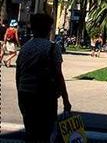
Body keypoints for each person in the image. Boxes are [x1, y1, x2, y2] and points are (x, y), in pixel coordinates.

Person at [16, 13, 71, 142]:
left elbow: (18, 74)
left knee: (30, 132)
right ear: (48, 29)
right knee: (45, 132)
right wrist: (66, 100)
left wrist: (20, 92)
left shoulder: (24, 48)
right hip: (45, 96)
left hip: (26, 95)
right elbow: (58, 75)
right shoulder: (52, 48)